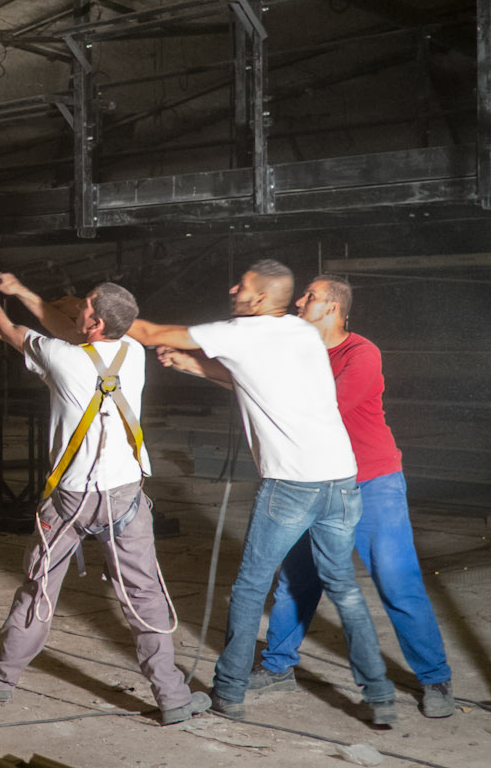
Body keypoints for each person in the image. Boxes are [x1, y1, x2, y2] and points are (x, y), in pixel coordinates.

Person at [162, 275, 455, 718]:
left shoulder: (361, 353)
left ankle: (435, 678)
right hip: (312, 480)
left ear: (334, 309)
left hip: (372, 481)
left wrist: (204, 366)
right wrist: (197, 366)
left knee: (396, 579)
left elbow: (313, 405)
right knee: (296, 581)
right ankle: (279, 667)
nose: (300, 301)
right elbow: (265, 388)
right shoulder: (298, 348)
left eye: (310, 297)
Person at [128, 259, 398, 727]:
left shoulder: (240, 330)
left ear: (258, 298)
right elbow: (258, 382)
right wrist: (195, 366)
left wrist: (87, 310)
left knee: (251, 587)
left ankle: (229, 691)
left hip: (292, 482)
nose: (233, 288)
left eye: (243, 285)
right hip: (340, 479)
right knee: (346, 590)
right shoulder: (300, 332)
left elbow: (150, 332)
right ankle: (379, 694)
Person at [0, 256, 210, 726]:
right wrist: (23, 289)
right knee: (145, 595)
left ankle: (2, 678)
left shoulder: (62, 357)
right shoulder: (130, 350)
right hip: (125, 497)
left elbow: (3, 328)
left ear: (93, 321)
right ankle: (172, 697)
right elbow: (71, 325)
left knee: (38, 590)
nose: (76, 310)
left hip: (69, 499)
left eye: (84, 307)